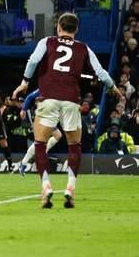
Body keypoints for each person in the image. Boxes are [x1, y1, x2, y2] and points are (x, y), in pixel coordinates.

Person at [12, 13, 122, 208]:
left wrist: (24, 82)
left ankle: (46, 186)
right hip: (71, 100)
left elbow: (33, 60)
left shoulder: (47, 42)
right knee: (74, 145)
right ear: (76, 29)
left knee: (40, 143)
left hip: (48, 98)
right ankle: (70, 187)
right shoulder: (83, 47)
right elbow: (100, 72)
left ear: (59, 27)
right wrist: (113, 86)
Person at [17, 89, 63, 176]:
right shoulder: (44, 87)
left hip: (49, 116)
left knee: (57, 135)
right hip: (43, 116)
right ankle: (25, 163)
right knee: (40, 141)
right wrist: (23, 109)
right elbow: (30, 97)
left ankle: (25, 162)